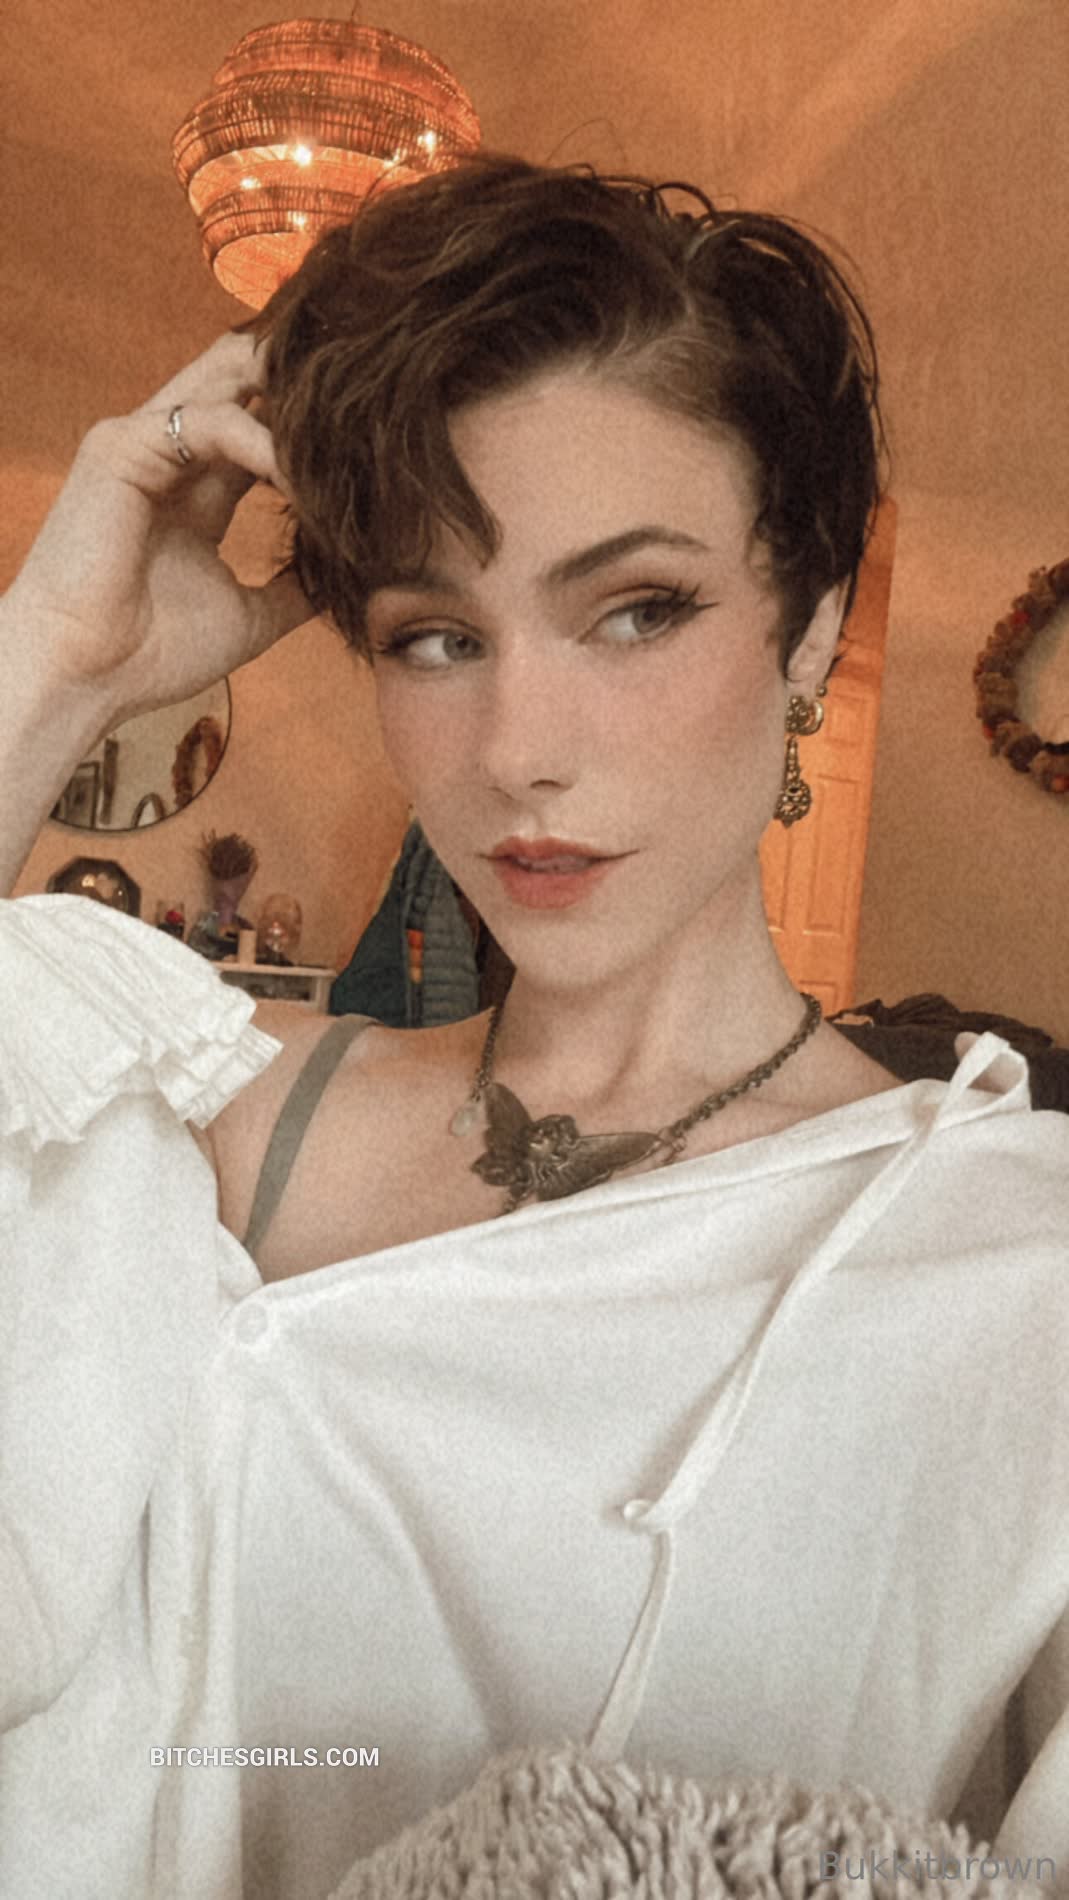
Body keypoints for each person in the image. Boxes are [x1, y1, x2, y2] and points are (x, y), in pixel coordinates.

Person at [1, 152, 1066, 1900]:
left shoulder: (1020, 1274)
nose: (517, 750)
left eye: (635, 610)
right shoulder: (210, 1113)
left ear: (809, 627)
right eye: (433, 637)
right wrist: (55, 665)